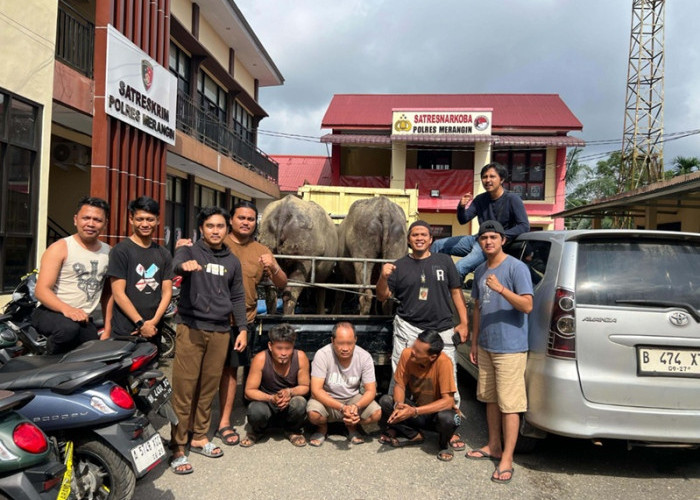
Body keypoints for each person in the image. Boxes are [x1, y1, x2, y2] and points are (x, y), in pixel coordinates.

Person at [376, 219, 468, 451]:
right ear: (408, 240)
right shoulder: (398, 266)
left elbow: (456, 293)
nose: (419, 238)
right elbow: (382, 296)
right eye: (415, 234)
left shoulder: (444, 261)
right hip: (409, 327)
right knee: (400, 373)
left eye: (423, 235)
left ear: (431, 239)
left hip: (442, 328)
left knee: (450, 378)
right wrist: (383, 276)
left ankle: (452, 427)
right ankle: (397, 421)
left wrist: (464, 323)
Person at [168, 206, 247, 475]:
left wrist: (244, 329)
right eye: (210, 226)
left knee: (208, 388)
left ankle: (200, 436)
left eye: (221, 226)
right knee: (184, 388)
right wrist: (183, 265)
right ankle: (178, 445)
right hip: (191, 327)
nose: (216, 231)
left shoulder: (232, 261)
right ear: (201, 228)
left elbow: (237, 296)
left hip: (221, 331)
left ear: (228, 229)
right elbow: (176, 261)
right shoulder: (190, 250)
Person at [465, 220, 533, 485]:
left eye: (493, 237)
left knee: (510, 404)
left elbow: (527, 305)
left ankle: (507, 457)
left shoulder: (517, 268)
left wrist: (502, 289)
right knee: (490, 399)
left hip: (510, 348)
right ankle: (493, 445)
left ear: (503, 240)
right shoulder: (481, 270)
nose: (488, 241)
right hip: (486, 345)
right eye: (484, 238)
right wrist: (473, 342)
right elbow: (478, 308)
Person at [215, 201, 287, 447]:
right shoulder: (218, 242)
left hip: (242, 322)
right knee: (206, 373)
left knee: (231, 372)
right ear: (231, 220)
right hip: (212, 319)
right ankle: (195, 424)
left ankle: (224, 421)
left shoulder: (261, 250)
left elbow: (281, 283)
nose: (246, 222)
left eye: (250, 218)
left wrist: (274, 266)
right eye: (241, 218)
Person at [32, 196, 111, 354]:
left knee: (91, 352)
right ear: (76, 220)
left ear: (105, 224)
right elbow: (41, 290)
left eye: (97, 220)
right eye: (86, 218)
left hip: (82, 320)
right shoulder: (60, 247)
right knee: (67, 330)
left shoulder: (109, 252)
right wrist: (67, 309)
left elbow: (108, 294)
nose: (90, 223)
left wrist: (108, 328)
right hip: (51, 313)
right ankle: (45, 364)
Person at [431, 162, 530, 281]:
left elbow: (524, 226)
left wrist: (499, 236)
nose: (488, 180)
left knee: (459, 268)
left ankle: (451, 297)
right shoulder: (480, 199)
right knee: (438, 245)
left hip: (491, 244)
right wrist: (461, 207)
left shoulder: (512, 199)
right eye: (484, 177)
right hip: (477, 239)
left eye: (492, 176)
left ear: (502, 179)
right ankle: (434, 281)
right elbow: (463, 220)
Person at [104, 196, 173, 356]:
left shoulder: (163, 253)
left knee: (150, 375)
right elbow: (118, 293)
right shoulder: (121, 251)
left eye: (150, 219)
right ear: (131, 220)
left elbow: (167, 292)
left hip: (154, 329)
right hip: (126, 330)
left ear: (157, 221)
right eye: (140, 219)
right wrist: (140, 323)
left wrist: (152, 323)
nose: (145, 224)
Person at [379, 330, 460, 462]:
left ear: (432, 357)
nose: (412, 352)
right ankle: (414, 435)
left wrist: (414, 411)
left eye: (418, 351)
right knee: (386, 401)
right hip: (417, 412)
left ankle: (443, 444)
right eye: (413, 347)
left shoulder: (444, 362)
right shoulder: (407, 354)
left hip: (436, 416)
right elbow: (399, 385)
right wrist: (399, 407)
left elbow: (448, 401)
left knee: (448, 418)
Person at [306, 322, 382, 447]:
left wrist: (356, 407)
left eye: (350, 343)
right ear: (332, 341)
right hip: (328, 399)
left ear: (355, 340)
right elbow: (316, 390)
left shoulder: (364, 357)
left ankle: (351, 426)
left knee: (376, 413)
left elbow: (370, 390)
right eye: (341, 343)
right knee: (313, 414)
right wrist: (341, 407)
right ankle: (322, 428)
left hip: (352, 399)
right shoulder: (322, 354)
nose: (346, 348)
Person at [242, 323, 310, 448]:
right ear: (270, 346)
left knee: (300, 403)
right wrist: (271, 398)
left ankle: (292, 430)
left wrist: (290, 392)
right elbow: (249, 391)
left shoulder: (300, 357)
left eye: (288, 348)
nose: (283, 353)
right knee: (255, 410)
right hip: (266, 402)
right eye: (279, 348)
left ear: (293, 346)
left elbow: (305, 386)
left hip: (289, 403)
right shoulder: (260, 359)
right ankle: (257, 432)